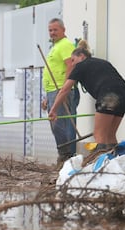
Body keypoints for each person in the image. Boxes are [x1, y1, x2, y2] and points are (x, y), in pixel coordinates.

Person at [48, 40, 125, 151]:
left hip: (109, 94)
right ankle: (116, 163)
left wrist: (53, 109)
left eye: (73, 60)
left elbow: (64, 90)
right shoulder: (103, 62)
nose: (72, 64)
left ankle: (102, 165)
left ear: (81, 56)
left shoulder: (80, 66)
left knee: (99, 134)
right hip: (124, 94)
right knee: (110, 135)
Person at [42, 18, 80, 163]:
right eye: (50, 30)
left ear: (63, 30)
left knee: (61, 124)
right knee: (56, 124)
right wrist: (47, 97)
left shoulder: (65, 45)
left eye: (55, 30)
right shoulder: (55, 46)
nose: (52, 33)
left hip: (61, 90)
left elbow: (71, 66)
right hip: (53, 90)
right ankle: (64, 155)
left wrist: (64, 89)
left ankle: (67, 157)